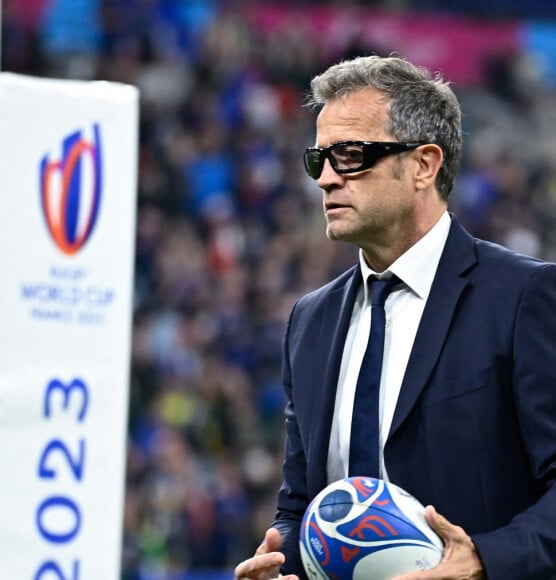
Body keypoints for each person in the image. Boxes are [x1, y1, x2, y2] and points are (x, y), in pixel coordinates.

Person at [234, 55, 556, 580]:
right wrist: (280, 559)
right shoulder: (309, 321)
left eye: (351, 155)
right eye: (319, 160)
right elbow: (300, 508)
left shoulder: (524, 296)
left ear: (424, 165)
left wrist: (481, 559)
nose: (326, 179)